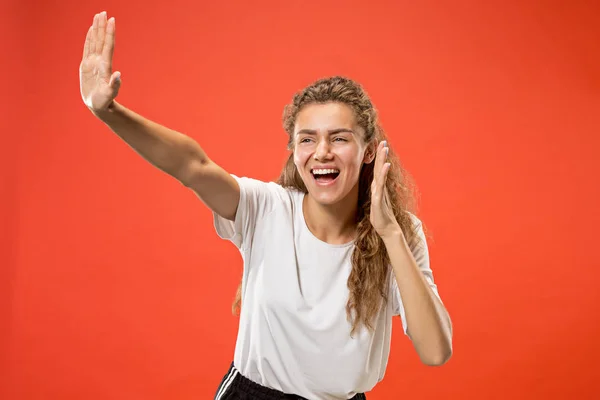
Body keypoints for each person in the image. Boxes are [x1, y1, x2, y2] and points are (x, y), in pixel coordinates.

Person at [80, 11, 453, 400]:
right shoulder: (266, 209)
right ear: (294, 151)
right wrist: (108, 112)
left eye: (339, 138)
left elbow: (435, 350)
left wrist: (390, 232)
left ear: (369, 152)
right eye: (307, 139)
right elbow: (192, 164)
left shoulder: (400, 231)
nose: (321, 152)